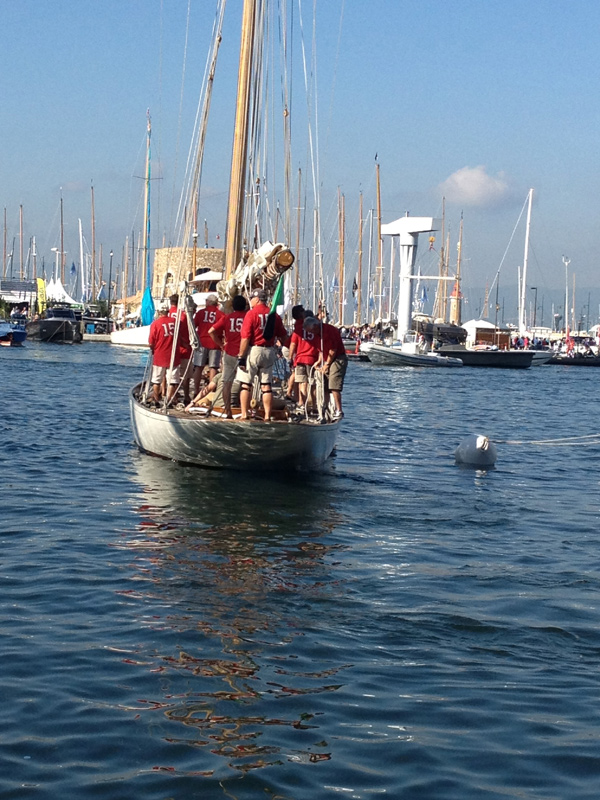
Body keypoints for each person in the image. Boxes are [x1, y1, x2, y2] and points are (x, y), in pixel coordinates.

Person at [238, 288, 289, 421]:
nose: (250, 301)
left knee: (246, 384)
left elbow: (245, 338)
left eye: (252, 298)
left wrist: (241, 357)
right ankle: (267, 415)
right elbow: (283, 336)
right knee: (266, 386)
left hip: (254, 350)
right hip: (269, 350)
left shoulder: (251, 314)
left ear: (257, 299)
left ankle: (244, 413)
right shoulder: (274, 316)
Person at [209, 294, 247, 418]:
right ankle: (245, 411)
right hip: (243, 354)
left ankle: (228, 411)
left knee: (227, 382)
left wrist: (221, 344)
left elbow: (211, 331)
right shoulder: (248, 317)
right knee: (246, 383)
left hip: (229, 352)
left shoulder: (227, 318)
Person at [303, 315, 347, 420]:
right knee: (325, 385)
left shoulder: (328, 331)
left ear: (315, 327)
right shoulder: (317, 335)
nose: (311, 333)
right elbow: (321, 349)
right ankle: (325, 408)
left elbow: (333, 349)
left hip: (337, 358)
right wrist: (319, 361)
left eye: (311, 331)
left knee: (334, 385)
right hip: (327, 358)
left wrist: (326, 364)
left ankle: (339, 410)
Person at [148, 302, 181, 406]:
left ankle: (156, 399)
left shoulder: (156, 324)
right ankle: (169, 400)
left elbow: (151, 342)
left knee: (156, 379)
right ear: (168, 311)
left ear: (158, 312)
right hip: (173, 355)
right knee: (172, 380)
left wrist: (153, 350)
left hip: (160, 355)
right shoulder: (176, 322)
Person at [192, 294, 225, 396]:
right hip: (215, 343)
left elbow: (193, 326)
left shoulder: (200, 313)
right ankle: (211, 393)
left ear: (208, 302)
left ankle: (196, 391)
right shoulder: (220, 314)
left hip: (201, 342)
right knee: (213, 368)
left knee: (198, 367)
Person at [288, 308, 319, 413]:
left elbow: (293, 344)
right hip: (313, 359)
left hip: (300, 358)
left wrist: (290, 358)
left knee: (302, 383)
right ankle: (314, 406)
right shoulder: (317, 330)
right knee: (313, 384)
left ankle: (302, 403)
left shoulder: (298, 330)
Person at [168, 293, 193, 405]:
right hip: (185, 349)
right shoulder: (183, 315)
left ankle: (170, 395)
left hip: (172, 349)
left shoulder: (167, 315)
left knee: (170, 375)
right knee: (185, 376)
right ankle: (186, 396)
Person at [285, 304, 305, 402]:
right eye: (302, 311)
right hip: (290, 349)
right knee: (295, 372)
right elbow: (293, 343)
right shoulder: (301, 324)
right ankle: (289, 392)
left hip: (290, 348)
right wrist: (290, 358)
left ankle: (295, 395)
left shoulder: (299, 323)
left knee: (296, 373)